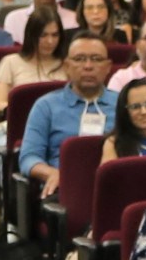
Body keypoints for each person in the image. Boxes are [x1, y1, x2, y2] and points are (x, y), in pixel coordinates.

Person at [20, 35, 123, 191]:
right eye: (79, 59)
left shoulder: (123, 104)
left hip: (115, 186)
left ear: (108, 67)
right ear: (67, 66)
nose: (88, 66)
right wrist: (52, 173)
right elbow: (29, 157)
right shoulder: (46, 106)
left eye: (96, 59)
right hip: (66, 187)